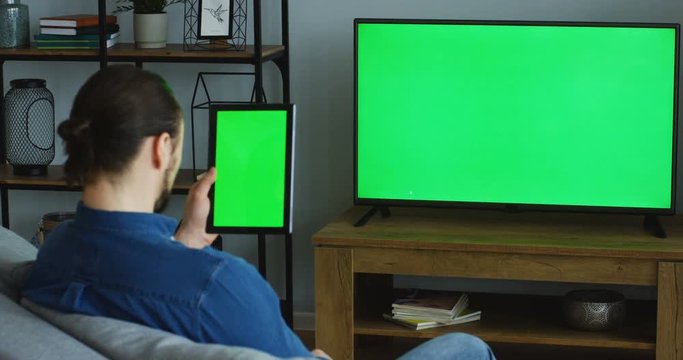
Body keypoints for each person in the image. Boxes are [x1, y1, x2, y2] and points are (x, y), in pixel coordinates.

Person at [22, 65, 495, 360]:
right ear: (161, 149)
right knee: (466, 347)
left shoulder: (52, 253)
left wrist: (183, 241)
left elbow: (132, 291)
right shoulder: (220, 283)